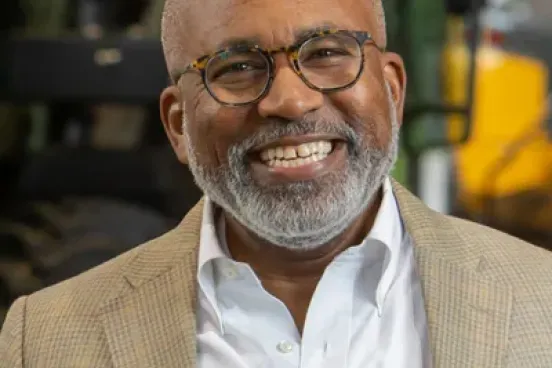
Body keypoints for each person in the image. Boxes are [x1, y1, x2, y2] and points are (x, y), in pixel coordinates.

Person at [2, 0, 552, 366]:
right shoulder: (43, 339)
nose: (289, 101)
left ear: (392, 89)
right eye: (236, 66)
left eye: (328, 53)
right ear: (177, 125)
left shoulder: (541, 301)